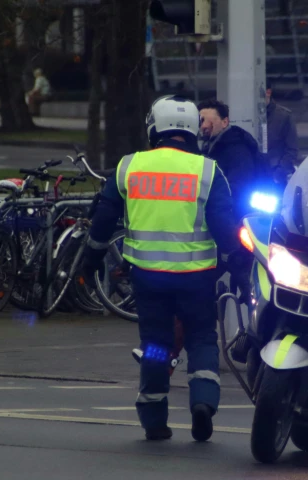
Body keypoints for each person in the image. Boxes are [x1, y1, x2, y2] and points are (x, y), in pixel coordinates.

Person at [81, 95, 252, 442]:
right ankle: (203, 403)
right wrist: (238, 265)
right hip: (197, 277)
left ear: (154, 127)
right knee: (202, 338)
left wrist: (92, 257)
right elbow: (225, 227)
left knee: (157, 344)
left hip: (147, 278)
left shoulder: (129, 166)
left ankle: (154, 420)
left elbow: (103, 218)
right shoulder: (208, 171)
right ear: (191, 130)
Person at [197, 99, 261, 220]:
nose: (204, 126)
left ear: (224, 122)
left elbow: (239, 187)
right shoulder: (209, 146)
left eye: (209, 121)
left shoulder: (237, 149)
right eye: (201, 121)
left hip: (234, 216)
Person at [265, 83, 300, 187]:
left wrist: (278, 173)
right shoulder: (245, 115)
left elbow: (292, 150)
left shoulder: (283, 116)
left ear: (268, 92)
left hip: (274, 176)